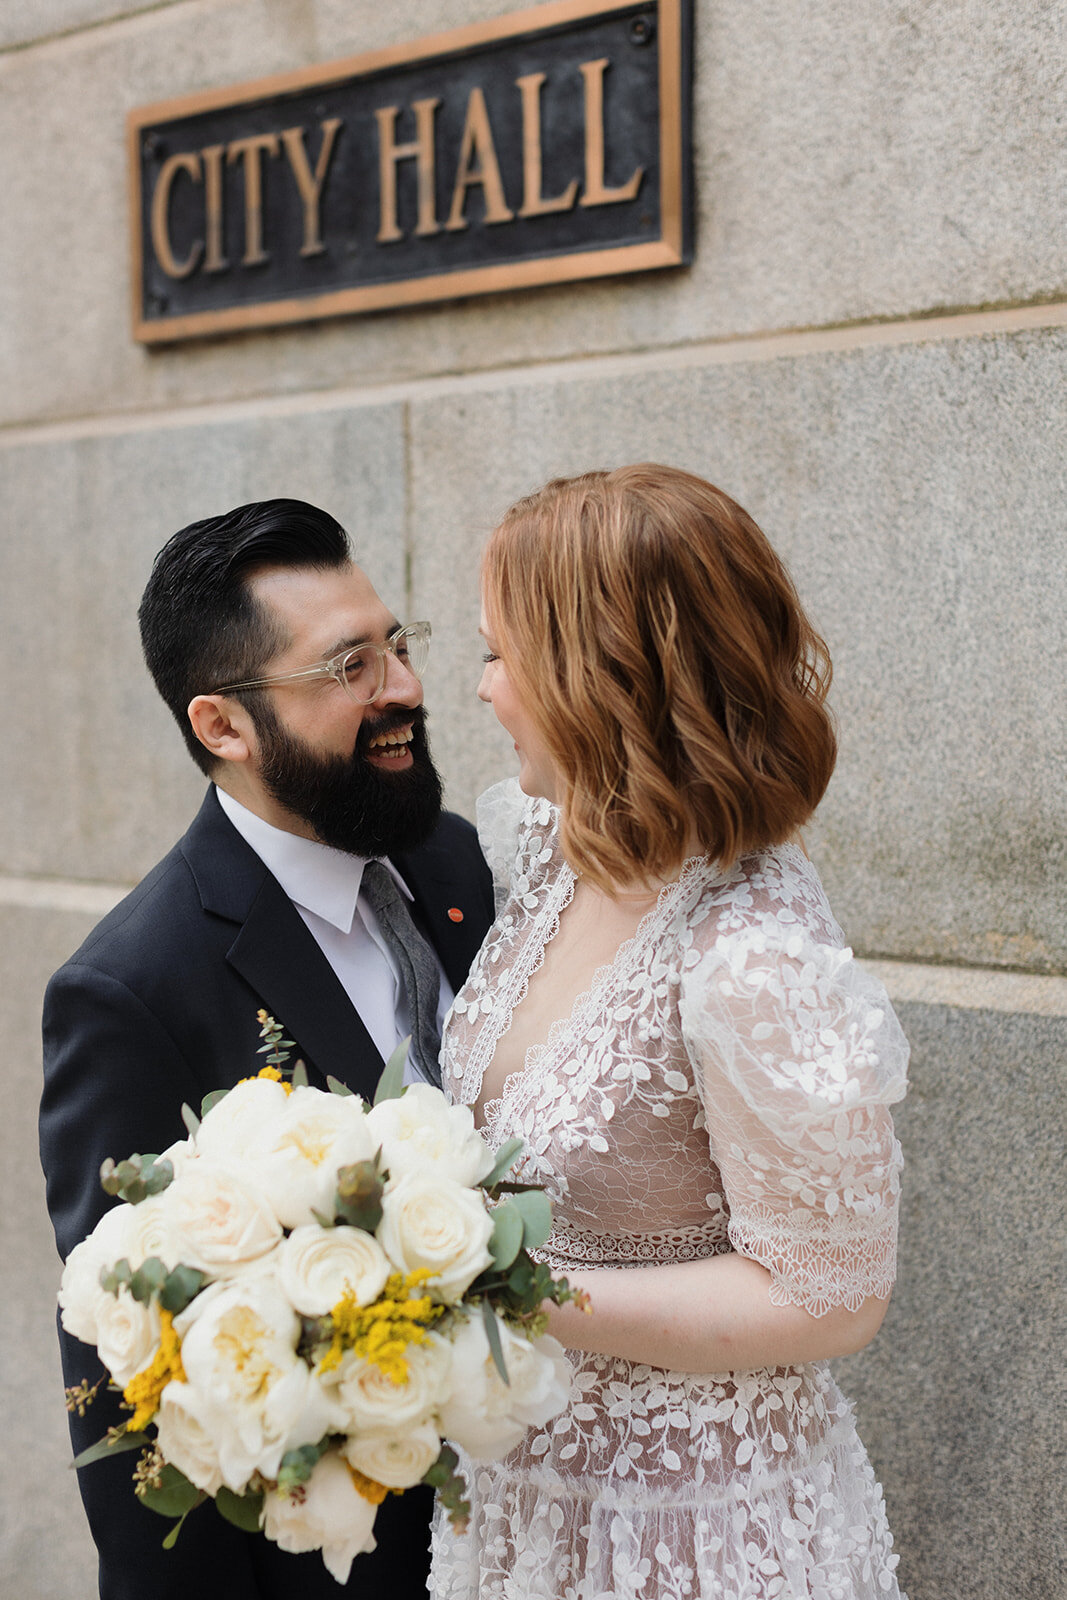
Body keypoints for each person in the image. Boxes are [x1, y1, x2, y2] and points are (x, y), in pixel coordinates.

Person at [431, 465, 910, 1599]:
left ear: (599, 679)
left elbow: (831, 1295)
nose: (484, 688)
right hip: (521, 1505)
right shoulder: (548, 848)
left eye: (503, 654)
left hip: (689, 1531)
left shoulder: (751, 959)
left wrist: (504, 1283)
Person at [39, 499, 494, 1600]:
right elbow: (130, 1398)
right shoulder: (130, 989)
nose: (401, 688)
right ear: (223, 725)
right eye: (346, 666)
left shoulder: (455, 863)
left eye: (395, 643)